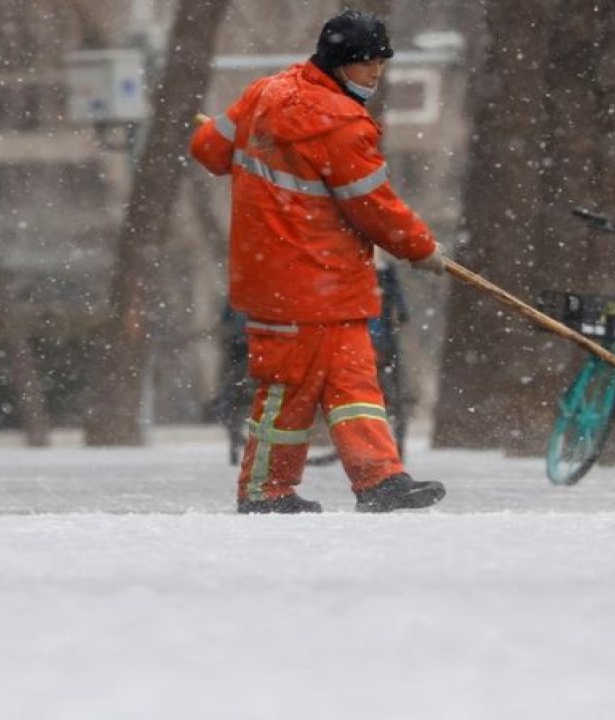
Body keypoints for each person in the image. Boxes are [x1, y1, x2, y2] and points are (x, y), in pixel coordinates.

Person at [189, 8, 447, 514]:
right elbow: (375, 207)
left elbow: (207, 149)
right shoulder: (344, 124)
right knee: (289, 390)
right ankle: (265, 490)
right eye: (366, 64)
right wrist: (422, 249)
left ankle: (380, 480)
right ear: (337, 64)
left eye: (380, 63)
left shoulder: (266, 92)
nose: (376, 73)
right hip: (306, 281)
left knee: (353, 382)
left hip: (305, 280)